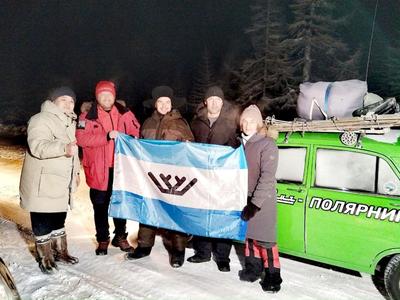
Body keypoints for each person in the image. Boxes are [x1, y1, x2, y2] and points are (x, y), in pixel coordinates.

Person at [126, 86, 194, 268]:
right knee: (147, 209)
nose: (164, 105)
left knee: (174, 212)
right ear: (155, 104)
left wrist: (187, 147)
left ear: (172, 104)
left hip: (173, 177)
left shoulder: (180, 123)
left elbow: (191, 149)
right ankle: (144, 246)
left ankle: (179, 250)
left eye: (167, 102)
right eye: (160, 102)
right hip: (150, 175)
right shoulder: (147, 122)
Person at [19, 87, 80, 273]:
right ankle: (45, 258)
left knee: (58, 219)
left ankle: (61, 252)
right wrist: (63, 148)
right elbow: (37, 146)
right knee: (42, 221)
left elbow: (73, 152)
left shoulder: (69, 121)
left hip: (61, 181)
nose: (68, 104)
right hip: (42, 182)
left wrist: (75, 173)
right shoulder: (41, 119)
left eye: (71, 101)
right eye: (63, 100)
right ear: (53, 101)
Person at [76, 81, 140, 255]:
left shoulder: (124, 113)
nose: (106, 98)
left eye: (109, 95)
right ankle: (102, 239)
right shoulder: (87, 116)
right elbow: (81, 140)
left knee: (120, 203)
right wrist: (106, 136)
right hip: (98, 169)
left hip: (120, 169)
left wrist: (130, 137)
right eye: (102, 95)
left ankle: (120, 236)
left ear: (114, 96)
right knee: (100, 205)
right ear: (97, 97)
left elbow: (136, 133)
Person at [187, 86, 240, 272]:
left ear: (222, 103)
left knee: (222, 216)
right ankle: (202, 252)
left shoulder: (231, 123)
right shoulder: (196, 122)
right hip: (201, 177)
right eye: (211, 99)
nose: (215, 103)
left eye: (219, 100)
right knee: (201, 213)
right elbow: (189, 146)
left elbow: (238, 147)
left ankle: (222, 256)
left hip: (223, 178)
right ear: (205, 102)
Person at [238, 105, 282, 293]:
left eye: (252, 121)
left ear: (259, 124)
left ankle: (273, 277)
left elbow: (267, 178)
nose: (248, 125)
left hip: (262, 201)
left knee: (266, 240)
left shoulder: (267, 144)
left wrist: (254, 204)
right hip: (243, 198)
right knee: (248, 238)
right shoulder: (239, 143)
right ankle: (252, 270)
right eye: (245, 121)